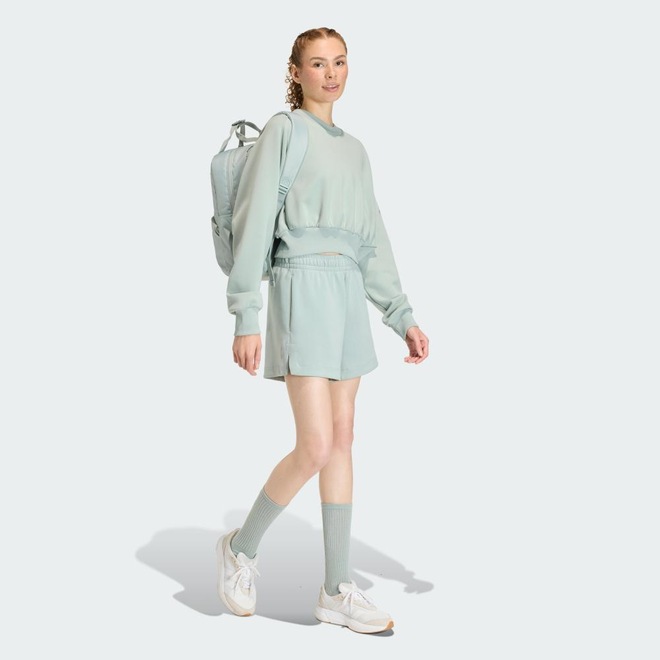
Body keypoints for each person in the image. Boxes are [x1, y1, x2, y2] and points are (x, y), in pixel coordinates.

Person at [216, 26, 429, 634]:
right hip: (299, 285)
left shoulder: (356, 151)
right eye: (317, 63)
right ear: (296, 71)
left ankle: (336, 589)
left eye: (339, 62)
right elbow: (255, 219)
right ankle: (241, 547)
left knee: (342, 440)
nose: (331, 74)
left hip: (346, 297)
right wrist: (246, 312)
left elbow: (372, 241)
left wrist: (402, 315)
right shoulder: (284, 131)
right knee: (314, 444)